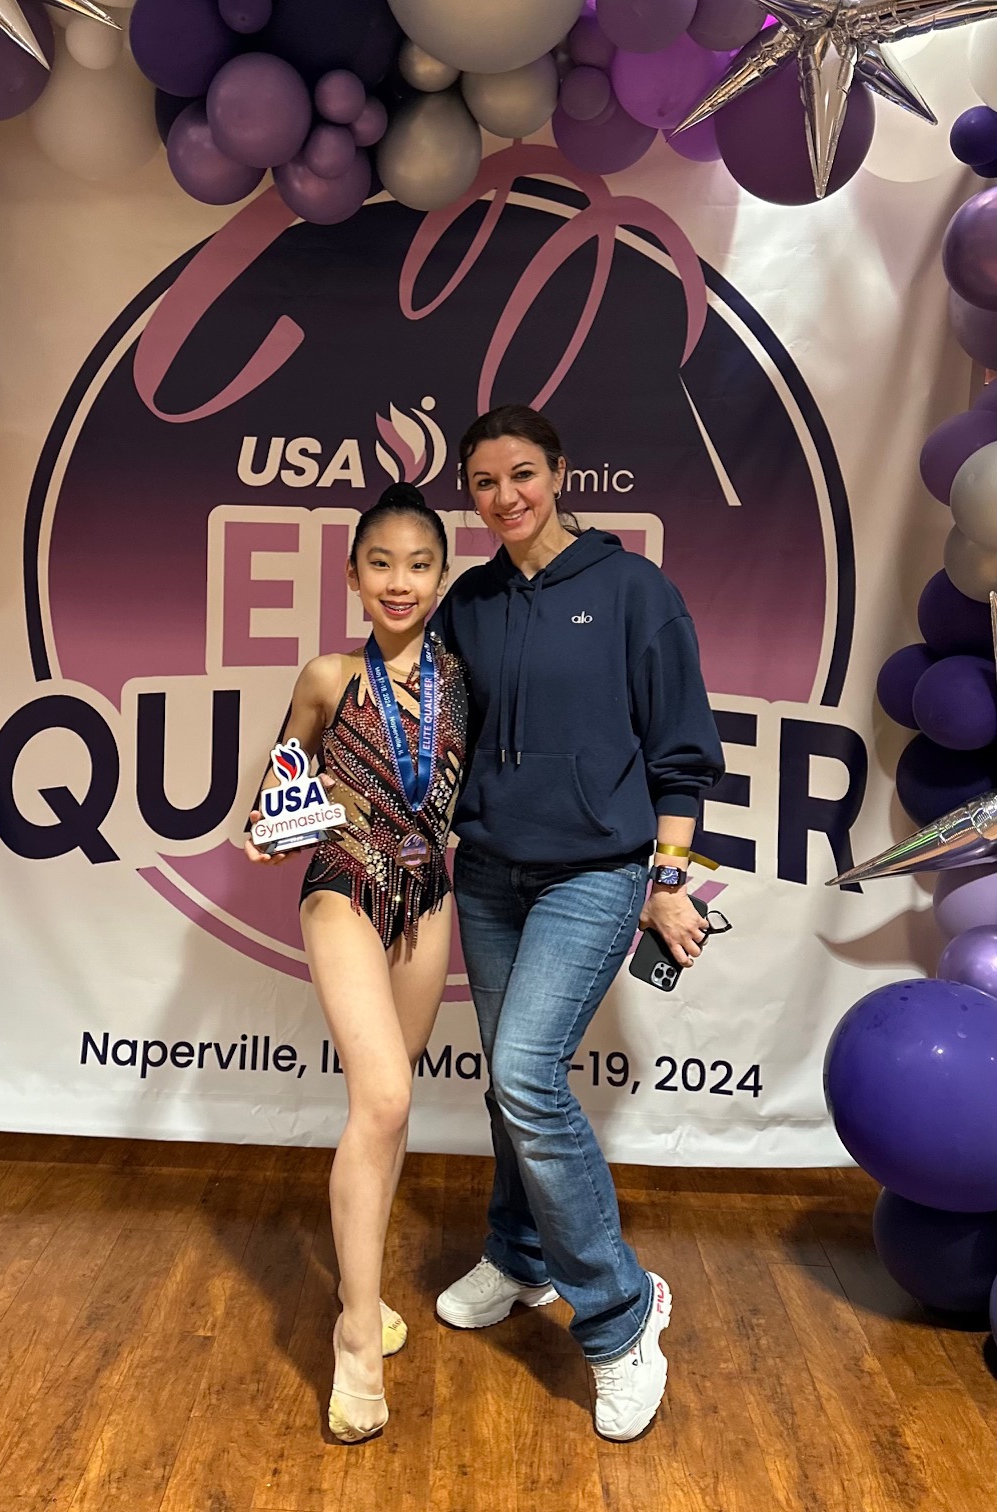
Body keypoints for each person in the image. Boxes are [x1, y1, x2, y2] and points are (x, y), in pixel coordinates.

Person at [431, 404, 724, 1443]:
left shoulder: (633, 590)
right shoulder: (467, 603)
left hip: (595, 873)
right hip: (487, 874)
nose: (503, 496)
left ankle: (618, 1315)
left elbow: (680, 754)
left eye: (521, 474)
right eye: (482, 482)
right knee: (509, 1084)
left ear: (559, 473)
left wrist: (668, 882)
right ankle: (519, 1256)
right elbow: (429, 732)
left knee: (524, 1076)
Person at [245, 483, 467, 1444]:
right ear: (351, 575)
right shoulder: (327, 675)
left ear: (442, 576)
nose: (399, 581)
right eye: (381, 563)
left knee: (389, 1107)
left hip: (430, 895)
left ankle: (361, 1287)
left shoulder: (465, 679)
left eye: (418, 564)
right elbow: (280, 783)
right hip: (344, 881)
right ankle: (355, 1338)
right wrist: (270, 823)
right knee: (381, 1097)